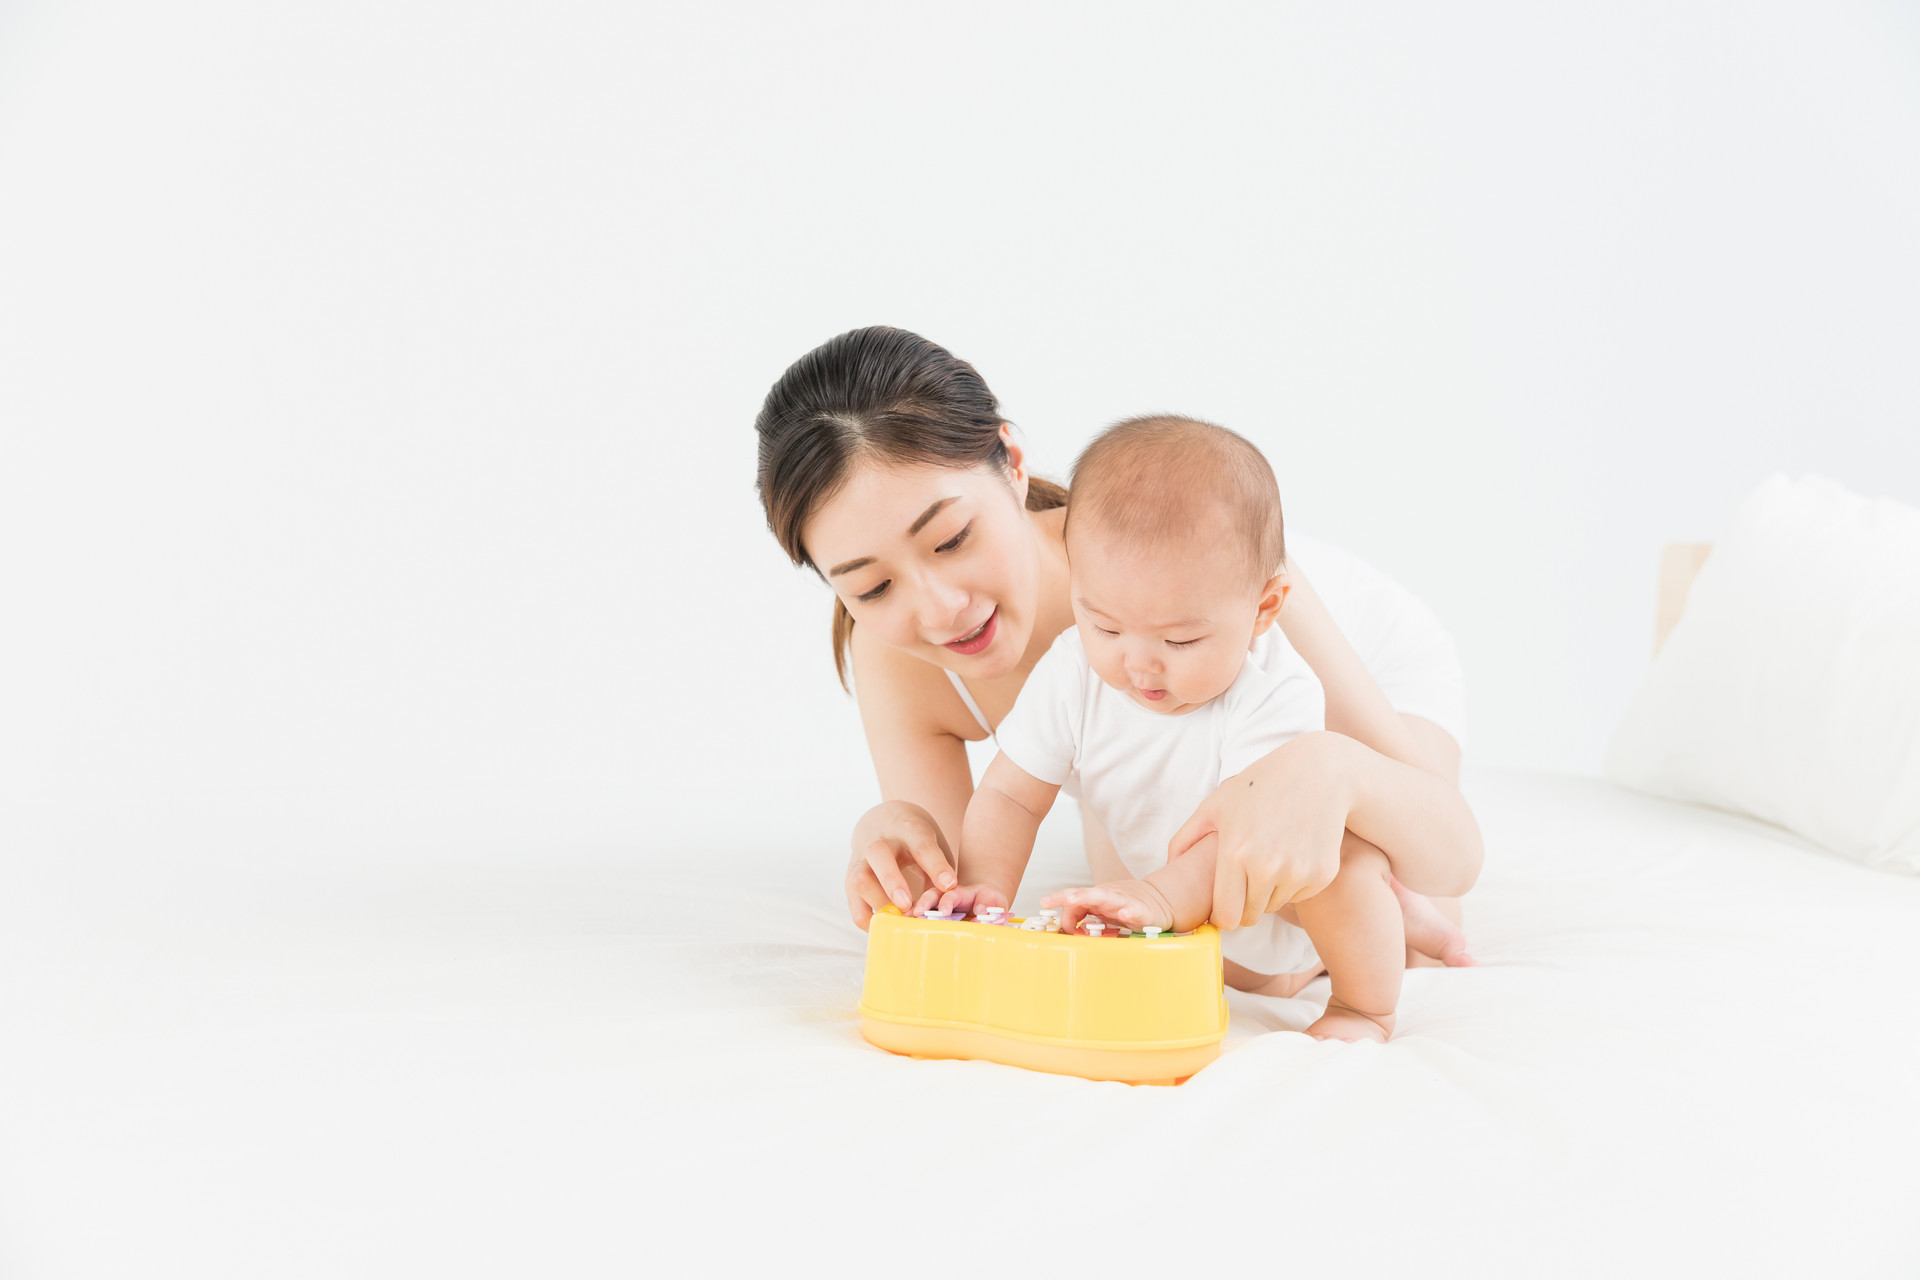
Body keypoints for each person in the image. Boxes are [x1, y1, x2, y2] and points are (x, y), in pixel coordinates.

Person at [754, 326, 1480, 975]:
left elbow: (1449, 855)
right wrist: (887, 836)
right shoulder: (900, 658)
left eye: (952, 540)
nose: (940, 609)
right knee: (1198, 932)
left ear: (1009, 461)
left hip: (1343, 656)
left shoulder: (1198, 588)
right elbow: (960, 892)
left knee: (1388, 914)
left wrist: (1333, 770)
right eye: (872, 587)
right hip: (1165, 747)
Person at [936, 416, 1480, 1039]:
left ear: (1264, 610)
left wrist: (1161, 900)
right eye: (1105, 625)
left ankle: (1363, 1005)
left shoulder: (1274, 690)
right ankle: (1403, 914)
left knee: (1346, 877)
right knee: (1212, 963)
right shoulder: (1072, 671)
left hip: (1283, 878)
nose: (1138, 663)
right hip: (1188, 875)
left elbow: (1244, 833)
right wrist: (983, 887)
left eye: (1181, 639)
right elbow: (1010, 794)